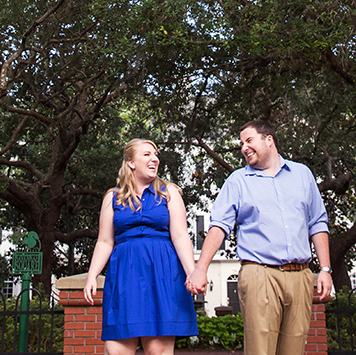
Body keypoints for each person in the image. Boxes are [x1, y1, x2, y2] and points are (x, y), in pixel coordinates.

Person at [186, 119, 332, 355]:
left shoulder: (302, 174)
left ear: (269, 140)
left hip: (301, 275)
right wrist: (201, 268)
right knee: (260, 351)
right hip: (259, 275)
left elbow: (317, 222)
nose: (244, 147)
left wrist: (325, 269)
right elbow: (219, 225)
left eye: (249, 140)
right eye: (241, 143)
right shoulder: (238, 181)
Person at [84, 138, 199, 355]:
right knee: (116, 349)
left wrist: (193, 273)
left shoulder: (169, 192)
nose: (154, 158)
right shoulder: (112, 197)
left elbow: (181, 236)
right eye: (147, 154)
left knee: (157, 350)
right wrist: (92, 275)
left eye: (155, 155)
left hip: (163, 276)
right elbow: (105, 241)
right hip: (125, 277)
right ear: (131, 162)